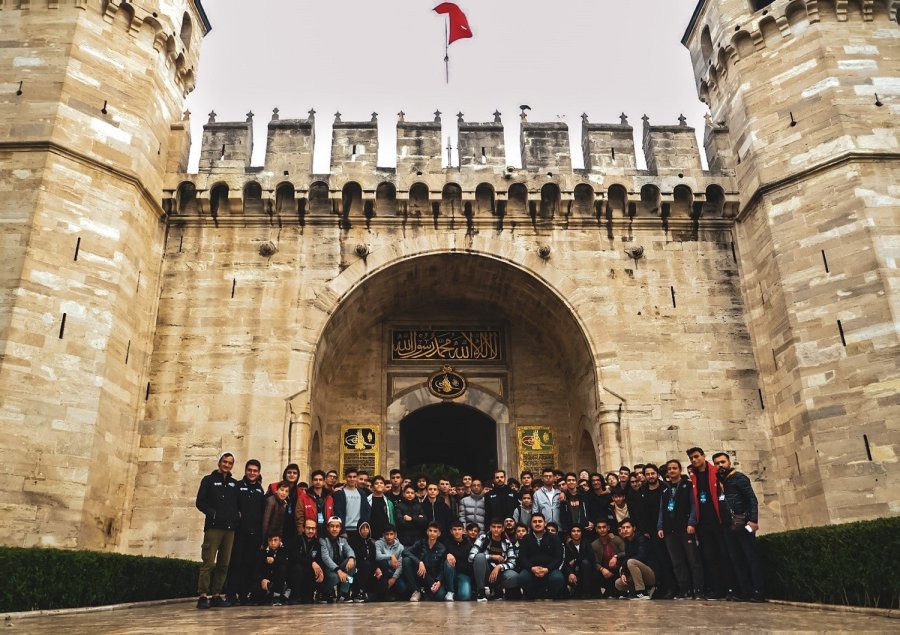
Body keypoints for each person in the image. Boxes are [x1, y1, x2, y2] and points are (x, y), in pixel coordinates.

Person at [713, 452, 765, 602]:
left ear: (729, 462)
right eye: (717, 463)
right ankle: (745, 591)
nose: (720, 465)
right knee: (737, 559)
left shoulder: (739, 478)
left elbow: (751, 499)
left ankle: (759, 591)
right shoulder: (721, 482)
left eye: (722, 462)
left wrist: (753, 520)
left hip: (744, 523)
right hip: (729, 526)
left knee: (751, 558)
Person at [195, 452, 240, 609]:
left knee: (223, 564)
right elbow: (200, 502)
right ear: (219, 462)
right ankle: (202, 595)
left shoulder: (234, 484)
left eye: (230, 463)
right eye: (225, 462)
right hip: (214, 527)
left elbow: (238, 504)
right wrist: (213, 513)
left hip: (229, 529)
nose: (227, 465)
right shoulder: (208, 480)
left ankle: (216, 594)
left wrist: (236, 517)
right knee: (208, 562)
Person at [687, 446, 732, 599]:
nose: (694, 460)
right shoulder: (693, 476)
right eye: (692, 458)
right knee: (709, 556)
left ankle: (730, 588)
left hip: (718, 520)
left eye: (696, 456)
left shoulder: (715, 472)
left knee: (723, 554)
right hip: (703, 523)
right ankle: (717, 589)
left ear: (703, 456)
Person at [658, 459, 704, 599]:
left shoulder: (688, 486)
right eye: (669, 469)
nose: (671, 471)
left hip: (685, 528)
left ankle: (698, 589)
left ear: (679, 470)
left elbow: (693, 505)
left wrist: (691, 522)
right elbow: (662, 510)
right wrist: (660, 526)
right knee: (677, 562)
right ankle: (684, 589)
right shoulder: (665, 490)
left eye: (674, 468)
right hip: (670, 530)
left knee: (693, 560)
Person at [225, 459, 265, 605]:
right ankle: (231, 594)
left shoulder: (260, 490)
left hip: (254, 534)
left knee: (249, 564)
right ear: (245, 470)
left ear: (259, 472)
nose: (252, 473)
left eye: (255, 471)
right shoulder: (237, 486)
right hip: (239, 533)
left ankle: (243, 594)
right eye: (250, 470)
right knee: (236, 564)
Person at [468, 518, 520, 601]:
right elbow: (471, 557)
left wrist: (499, 566)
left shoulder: (507, 543)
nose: (496, 529)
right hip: (484, 572)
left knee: (515, 577)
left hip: (499, 573)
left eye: (499, 527)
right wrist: (492, 556)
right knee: (479, 557)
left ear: (503, 529)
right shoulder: (483, 538)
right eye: (494, 527)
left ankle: (497, 589)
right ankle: (481, 592)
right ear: (490, 528)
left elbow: (512, 563)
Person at [517, 513, 565, 599]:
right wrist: (532, 568)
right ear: (531, 524)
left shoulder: (554, 538)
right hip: (531, 569)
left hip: (550, 569)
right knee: (522, 578)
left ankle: (551, 594)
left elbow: (558, 558)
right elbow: (522, 558)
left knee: (558, 579)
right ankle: (529, 594)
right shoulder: (526, 539)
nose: (537, 524)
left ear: (545, 523)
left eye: (540, 521)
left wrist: (547, 569)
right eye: (534, 522)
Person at [402, 522, 448, 601]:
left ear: (439, 534)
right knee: (406, 560)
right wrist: (419, 562)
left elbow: (442, 568)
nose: (432, 533)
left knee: (440, 596)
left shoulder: (442, 548)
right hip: (420, 574)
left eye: (435, 531)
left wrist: (439, 581)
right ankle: (416, 590)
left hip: (432, 578)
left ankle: (425, 592)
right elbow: (405, 551)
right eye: (430, 531)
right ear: (427, 532)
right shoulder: (421, 543)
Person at [614, 518, 657, 600]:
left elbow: (640, 557)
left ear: (634, 528)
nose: (625, 530)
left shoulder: (642, 539)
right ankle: (635, 592)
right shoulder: (627, 541)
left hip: (650, 574)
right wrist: (623, 572)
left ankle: (642, 592)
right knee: (618, 583)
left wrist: (624, 565)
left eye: (628, 527)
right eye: (623, 528)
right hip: (638, 575)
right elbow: (627, 558)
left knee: (631, 562)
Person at [317, 516, 357, 602]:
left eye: (337, 526)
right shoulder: (323, 540)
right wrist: (338, 570)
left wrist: (351, 558)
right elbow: (325, 558)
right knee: (335, 577)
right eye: (332, 526)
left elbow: (350, 550)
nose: (334, 529)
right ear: (328, 528)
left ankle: (344, 593)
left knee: (352, 563)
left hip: (339, 568)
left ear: (340, 528)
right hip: (328, 570)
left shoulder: (342, 539)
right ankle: (324, 593)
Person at [289, 518, 324, 604]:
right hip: (295, 573)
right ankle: (295, 596)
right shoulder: (296, 540)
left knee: (319, 571)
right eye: (308, 528)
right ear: (303, 529)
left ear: (316, 530)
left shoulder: (317, 543)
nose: (311, 531)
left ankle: (317, 595)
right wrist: (311, 563)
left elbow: (319, 560)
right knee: (298, 567)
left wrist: (321, 572)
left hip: (309, 576)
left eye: (313, 528)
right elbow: (295, 557)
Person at [333, 467, 370, 540]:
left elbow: (367, 510)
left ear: (357, 478)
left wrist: (364, 526)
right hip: (345, 530)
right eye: (349, 477)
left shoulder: (362, 493)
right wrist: (342, 530)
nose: (352, 479)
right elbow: (338, 512)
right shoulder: (340, 493)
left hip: (359, 529)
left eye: (354, 477)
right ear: (345, 478)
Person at [591, 519, 624, 598]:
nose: (602, 530)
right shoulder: (594, 545)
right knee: (594, 574)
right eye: (599, 527)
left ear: (608, 528)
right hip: (604, 573)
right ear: (596, 529)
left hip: (618, 570)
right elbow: (593, 561)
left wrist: (616, 556)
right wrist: (602, 569)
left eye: (604, 527)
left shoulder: (616, 539)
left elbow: (626, 552)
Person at [296, 470, 335, 537]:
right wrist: (301, 531)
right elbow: (299, 516)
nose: (318, 482)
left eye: (320, 480)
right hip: (310, 532)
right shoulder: (303, 497)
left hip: (325, 532)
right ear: (312, 481)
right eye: (315, 479)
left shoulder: (329, 498)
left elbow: (332, 514)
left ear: (324, 481)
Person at [443, 520, 474, 601]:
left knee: (465, 597)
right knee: (448, 562)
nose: (457, 532)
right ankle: (450, 591)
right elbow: (441, 556)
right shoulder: (446, 543)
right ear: (451, 531)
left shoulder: (469, 544)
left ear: (463, 531)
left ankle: (458, 592)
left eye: (459, 529)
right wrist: (447, 554)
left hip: (463, 574)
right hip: (450, 574)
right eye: (454, 529)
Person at [347, 521, 377, 602]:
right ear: (359, 529)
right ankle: (356, 592)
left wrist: (377, 568)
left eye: (367, 528)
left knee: (375, 567)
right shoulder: (352, 541)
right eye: (363, 528)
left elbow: (373, 559)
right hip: (355, 568)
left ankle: (365, 592)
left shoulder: (371, 543)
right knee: (365, 565)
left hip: (367, 570)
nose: (365, 530)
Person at [374, 525, 406, 600]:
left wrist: (394, 578)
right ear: (383, 535)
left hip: (394, 573)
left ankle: (391, 593)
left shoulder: (400, 547)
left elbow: (400, 564)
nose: (389, 537)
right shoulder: (378, 543)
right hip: (382, 572)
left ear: (395, 535)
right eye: (387, 534)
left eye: (391, 534)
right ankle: (382, 594)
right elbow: (377, 556)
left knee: (402, 588)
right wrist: (391, 556)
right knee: (383, 562)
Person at [564, 525, 595, 598]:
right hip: (574, 570)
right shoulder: (567, 545)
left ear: (581, 533)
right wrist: (570, 573)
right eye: (573, 531)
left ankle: (586, 593)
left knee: (585, 563)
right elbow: (566, 562)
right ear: (570, 533)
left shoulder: (586, 542)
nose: (576, 533)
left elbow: (591, 557)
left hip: (586, 569)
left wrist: (576, 560)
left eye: (578, 531)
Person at [257, 534, 289, 605]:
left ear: (280, 540)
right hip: (266, 581)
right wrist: (262, 579)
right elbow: (256, 569)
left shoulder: (284, 550)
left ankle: (276, 596)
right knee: (256, 591)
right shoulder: (263, 551)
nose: (273, 543)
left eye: (275, 540)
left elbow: (287, 563)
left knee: (282, 568)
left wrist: (275, 560)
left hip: (279, 581)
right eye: (270, 540)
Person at [367, 475, 396, 540]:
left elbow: (392, 520)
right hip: (371, 535)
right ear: (372, 487)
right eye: (376, 483)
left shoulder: (389, 502)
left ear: (384, 486)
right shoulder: (367, 501)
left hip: (386, 536)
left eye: (381, 483)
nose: (379, 485)